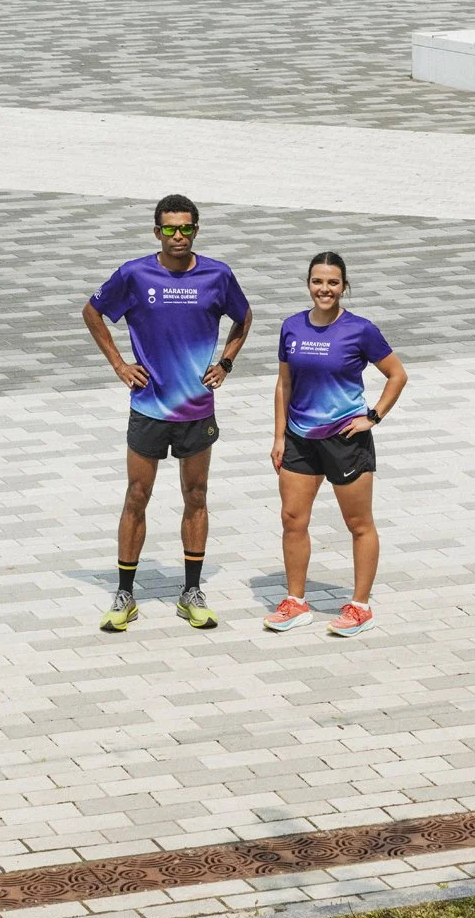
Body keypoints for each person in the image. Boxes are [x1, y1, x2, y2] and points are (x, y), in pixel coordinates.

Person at [82, 195, 252, 633]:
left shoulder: (218, 274)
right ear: (156, 231)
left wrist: (226, 363)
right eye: (170, 229)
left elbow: (244, 316)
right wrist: (120, 365)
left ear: (197, 229)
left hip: (197, 409)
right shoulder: (136, 274)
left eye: (186, 228)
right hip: (149, 407)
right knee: (137, 495)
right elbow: (92, 311)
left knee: (196, 496)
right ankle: (125, 595)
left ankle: (191, 592)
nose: (179, 236)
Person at [265, 251, 407, 637]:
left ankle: (360, 607)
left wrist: (373, 416)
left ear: (344, 286)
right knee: (292, 519)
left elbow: (397, 375)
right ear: (308, 283)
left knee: (358, 524)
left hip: (346, 439)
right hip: (299, 437)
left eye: (332, 282)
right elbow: (284, 384)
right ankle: (295, 602)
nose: (324, 289)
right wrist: (279, 436)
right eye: (317, 281)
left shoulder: (360, 330)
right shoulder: (291, 327)